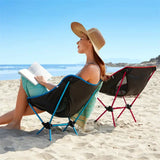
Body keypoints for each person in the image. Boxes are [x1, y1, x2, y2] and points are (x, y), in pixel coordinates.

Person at [0, 22, 107, 130]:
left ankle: (16, 122)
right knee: (27, 107)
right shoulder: (93, 68)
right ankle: (15, 122)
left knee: (25, 78)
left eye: (81, 38)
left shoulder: (90, 69)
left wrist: (44, 83)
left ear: (89, 42)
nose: (77, 42)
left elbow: (63, 93)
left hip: (60, 106)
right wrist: (45, 83)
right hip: (62, 105)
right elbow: (65, 92)